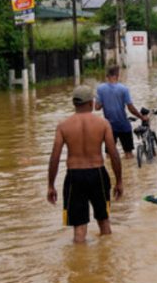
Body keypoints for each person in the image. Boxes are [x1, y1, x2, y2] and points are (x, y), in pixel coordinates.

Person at [48, 84, 124, 244]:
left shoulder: (63, 126)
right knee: (104, 221)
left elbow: (54, 157)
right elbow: (114, 154)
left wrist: (51, 185)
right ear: (91, 103)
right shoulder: (103, 124)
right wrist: (119, 181)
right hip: (97, 174)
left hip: (74, 176)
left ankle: (79, 258)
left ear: (74, 103)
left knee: (79, 228)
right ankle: (107, 256)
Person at [95, 65, 148, 158]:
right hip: (123, 125)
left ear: (107, 76)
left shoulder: (100, 89)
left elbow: (97, 107)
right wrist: (141, 117)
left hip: (109, 126)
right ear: (117, 75)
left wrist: (105, 100)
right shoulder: (123, 89)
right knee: (128, 154)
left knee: (109, 155)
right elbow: (131, 108)